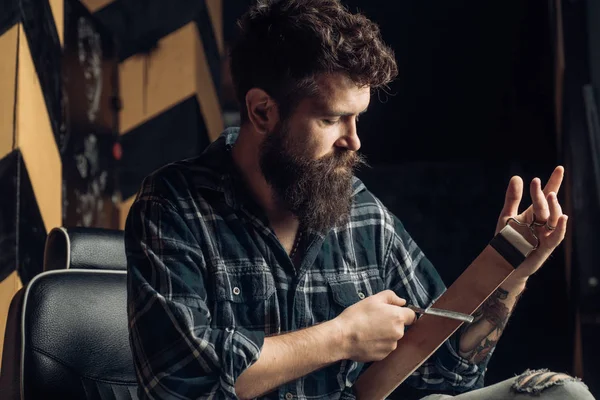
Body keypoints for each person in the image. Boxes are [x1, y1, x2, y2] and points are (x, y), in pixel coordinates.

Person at [124, 1, 595, 399]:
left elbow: (448, 372)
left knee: (562, 395)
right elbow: (181, 381)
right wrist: (342, 337)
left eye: (358, 118)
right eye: (332, 119)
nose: (353, 141)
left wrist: (510, 270)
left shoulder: (362, 215)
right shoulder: (174, 206)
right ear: (262, 111)